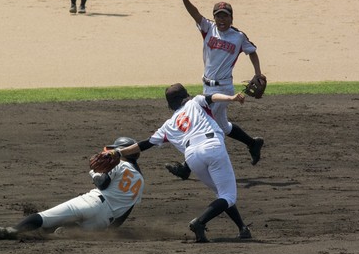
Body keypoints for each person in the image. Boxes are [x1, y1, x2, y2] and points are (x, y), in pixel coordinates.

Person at [104, 84, 252, 243]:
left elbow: (144, 144)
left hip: (192, 157)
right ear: (186, 96)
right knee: (228, 195)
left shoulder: (168, 125)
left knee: (221, 193)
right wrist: (232, 98)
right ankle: (199, 222)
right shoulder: (195, 102)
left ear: (169, 105)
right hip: (212, 147)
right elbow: (213, 97)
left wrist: (119, 152)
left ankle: (242, 228)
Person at [166, 0, 265, 180]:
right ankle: (252, 143)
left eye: (225, 16)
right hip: (207, 86)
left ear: (231, 18)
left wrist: (258, 73)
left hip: (223, 88)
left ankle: (186, 168)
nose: (221, 20)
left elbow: (252, 51)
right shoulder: (208, 28)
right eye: (218, 16)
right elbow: (195, 14)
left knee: (202, 121)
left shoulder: (238, 36)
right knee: (222, 126)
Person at [0, 136, 143, 240]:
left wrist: (95, 174)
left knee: (45, 217)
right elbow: (126, 211)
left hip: (92, 203)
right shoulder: (140, 181)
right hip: (104, 221)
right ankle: (67, 231)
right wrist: (109, 228)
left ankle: (13, 230)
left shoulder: (119, 164)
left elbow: (103, 184)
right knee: (72, 229)